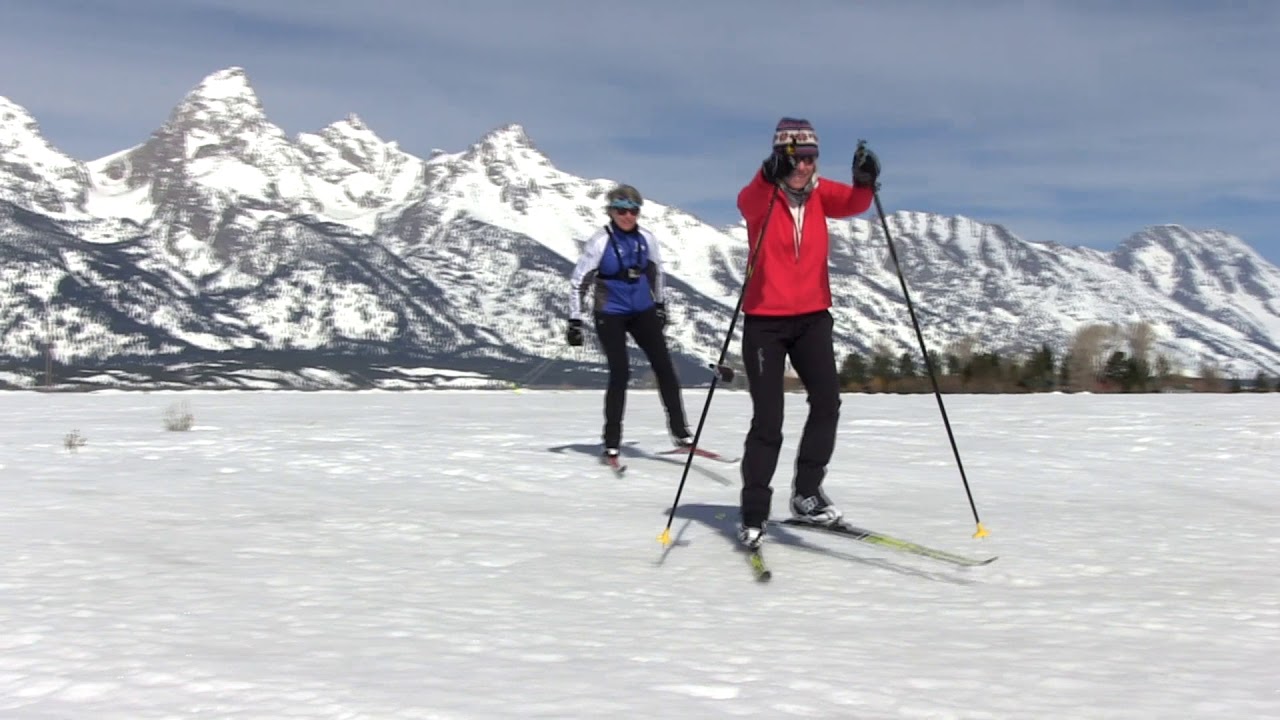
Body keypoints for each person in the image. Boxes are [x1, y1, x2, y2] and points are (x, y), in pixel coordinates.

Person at [734, 117, 881, 549]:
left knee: (827, 403)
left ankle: (807, 495)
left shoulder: (819, 195)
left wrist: (866, 181)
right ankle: (754, 511)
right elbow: (748, 200)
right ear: (780, 157)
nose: (804, 166)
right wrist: (768, 172)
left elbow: (854, 203)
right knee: (769, 420)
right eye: (795, 158)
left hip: (814, 318)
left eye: (811, 157)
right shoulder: (763, 197)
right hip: (765, 322)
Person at [567, 184, 692, 464]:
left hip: (642, 309)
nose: (627, 216)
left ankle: (680, 430)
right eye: (621, 210)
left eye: (633, 211)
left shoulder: (646, 238)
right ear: (611, 211)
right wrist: (574, 321)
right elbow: (578, 282)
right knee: (620, 373)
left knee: (664, 366)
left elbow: (656, 272)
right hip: (610, 311)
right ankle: (612, 441)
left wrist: (659, 305)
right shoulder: (600, 241)